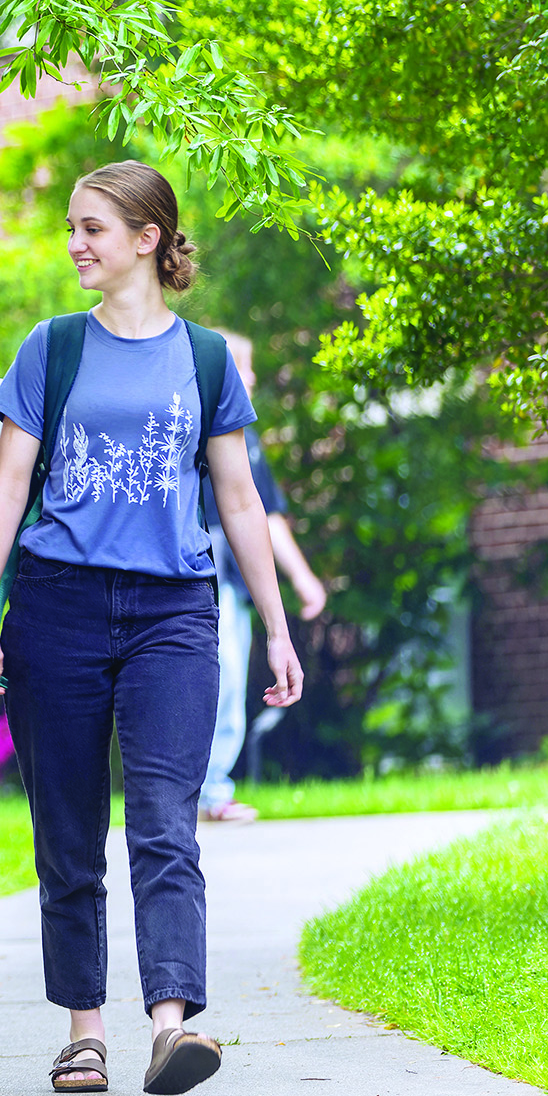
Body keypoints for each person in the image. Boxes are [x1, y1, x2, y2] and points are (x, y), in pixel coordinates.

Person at [0, 161, 305, 1096]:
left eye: (93, 228)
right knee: (67, 831)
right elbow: (8, 489)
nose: (75, 242)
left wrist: (274, 625)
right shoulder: (51, 347)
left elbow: (238, 499)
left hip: (174, 610)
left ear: (148, 238)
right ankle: (83, 1032)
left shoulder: (202, 360)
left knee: (163, 820)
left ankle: (170, 1025)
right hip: (58, 604)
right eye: (72, 227)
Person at [199, 332, 331, 823]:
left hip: (231, 568)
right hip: (199, 559)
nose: (251, 378)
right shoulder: (190, 422)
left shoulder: (242, 434)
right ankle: (205, 792)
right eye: (243, 367)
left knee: (231, 674)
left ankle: (211, 791)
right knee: (215, 675)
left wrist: (303, 579)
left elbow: (265, 515)